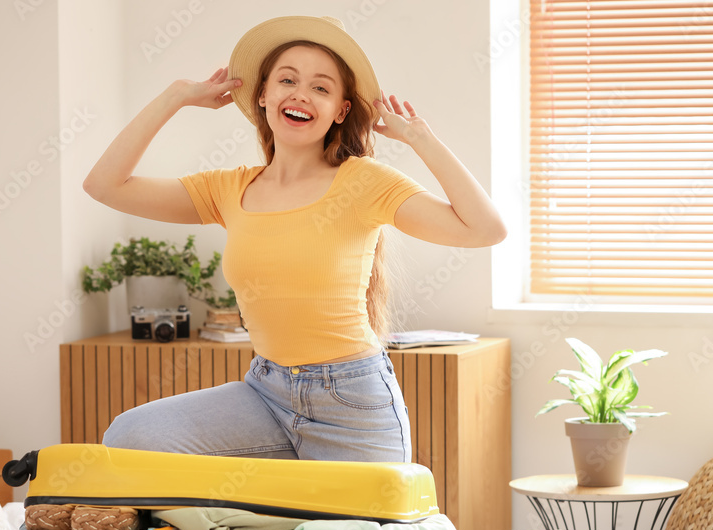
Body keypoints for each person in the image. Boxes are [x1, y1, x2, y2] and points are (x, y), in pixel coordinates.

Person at [83, 16, 505, 463]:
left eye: (321, 88)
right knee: (130, 435)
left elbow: (484, 229)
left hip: (351, 402)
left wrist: (421, 138)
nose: (301, 93)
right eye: (287, 79)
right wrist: (176, 97)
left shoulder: (363, 182)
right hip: (265, 394)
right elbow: (105, 185)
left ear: (340, 111)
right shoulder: (227, 189)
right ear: (263, 95)